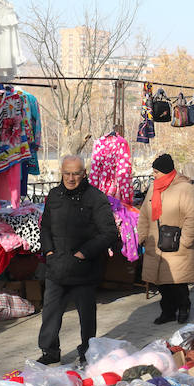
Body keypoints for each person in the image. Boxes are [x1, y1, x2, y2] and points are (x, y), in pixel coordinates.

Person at [38, 155, 118, 366]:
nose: (71, 178)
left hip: (84, 268)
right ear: (61, 173)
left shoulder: (95, 197)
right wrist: (48, 252)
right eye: (67, 173)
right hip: (56, 266)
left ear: (84, 174)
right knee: (50, 312)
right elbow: (45, 227)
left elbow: (109, 232)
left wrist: (84, 253)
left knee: (86, 315)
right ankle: (49, 351)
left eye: (76, 173)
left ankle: (87, 351)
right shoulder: (54, 195)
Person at [138, 154, 194, 324]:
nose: (154, 174)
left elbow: (193, 217)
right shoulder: (154, 188)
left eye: (156, 171)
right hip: (155, 243)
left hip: (176, 244)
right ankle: (167, 312)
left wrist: (185, 241)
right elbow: (144, 214)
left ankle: (183, 307)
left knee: (177, 282)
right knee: (161, 283)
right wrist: (143, 236)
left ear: (166, 172)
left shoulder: (184, 188)